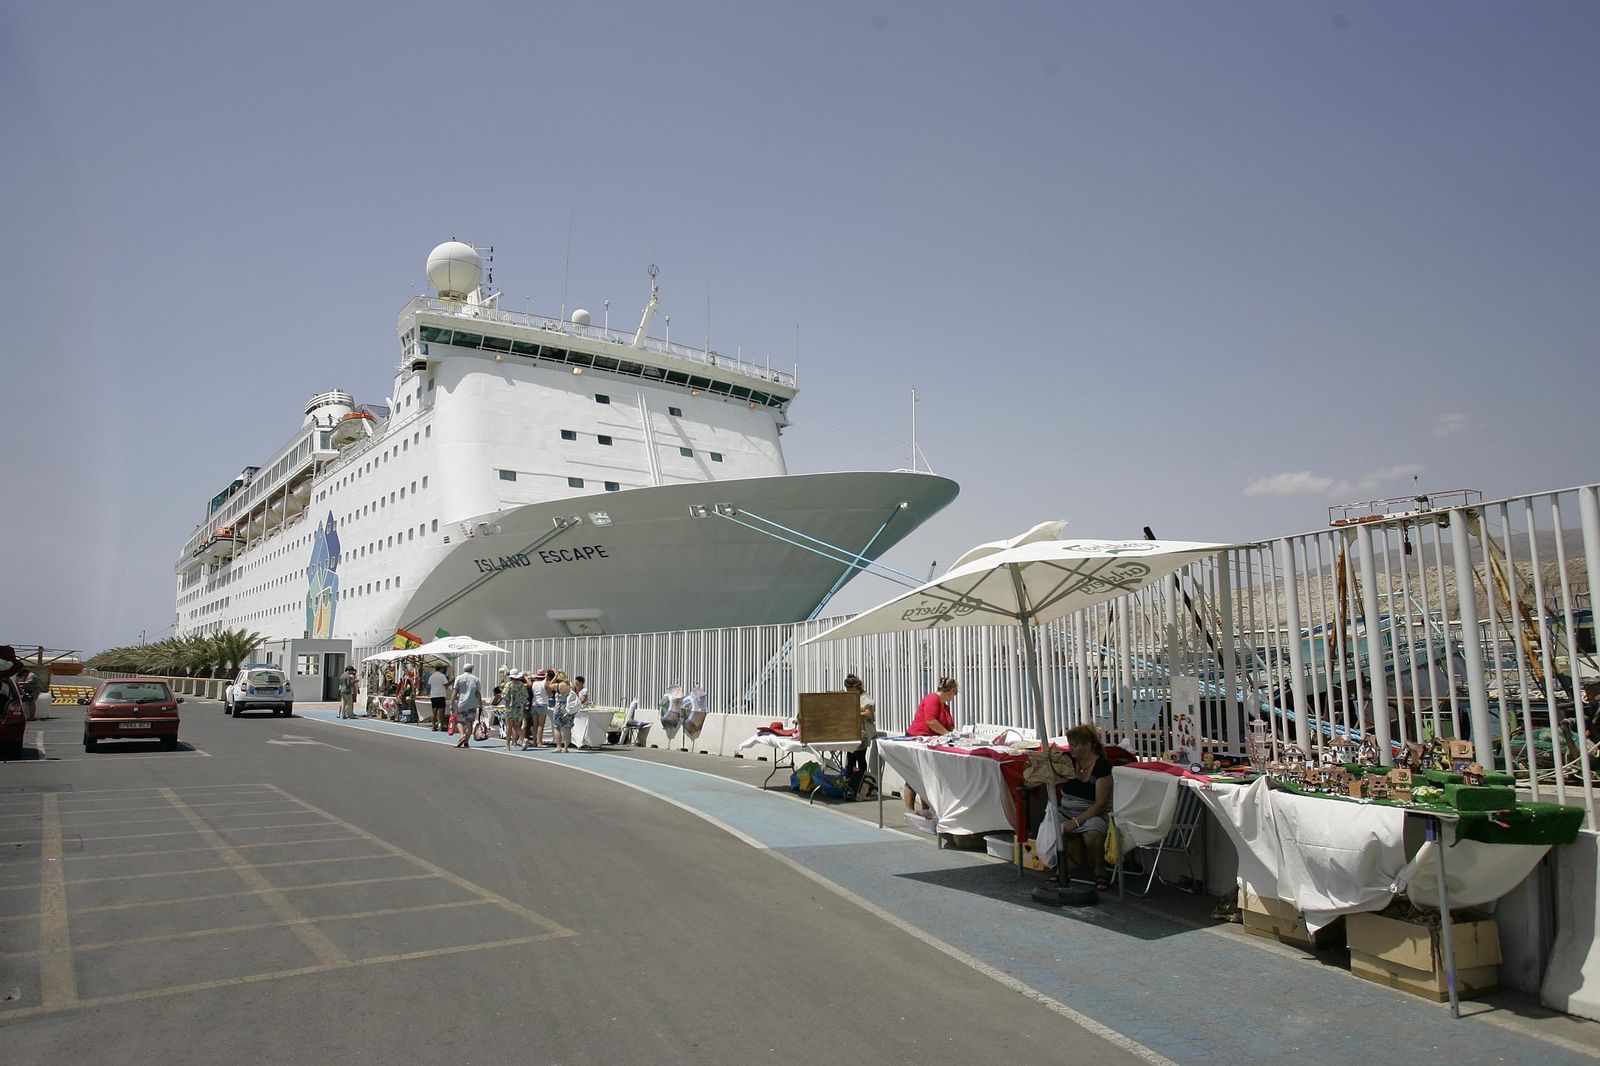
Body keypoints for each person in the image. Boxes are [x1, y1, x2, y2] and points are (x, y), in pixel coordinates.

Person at [1060, 722, 1114, 890]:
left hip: (1093, 812)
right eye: (1070, 745)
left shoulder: (1102, 767)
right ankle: (1060, 868)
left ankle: (1099, 868)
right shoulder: (1067, 760)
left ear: (1088, 746)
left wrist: (1076, 822)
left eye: (1075, 745)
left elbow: (1100, 804)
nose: (1071, 749)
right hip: (1066, 811)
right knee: (1050, 827)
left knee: (1093, 832)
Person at [904, 677, 958, 811]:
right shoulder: (932, 699)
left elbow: (949, 726)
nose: (954, 696)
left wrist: (957, 734)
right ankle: (910, 810)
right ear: (951, 691)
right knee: (914, 776)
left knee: (927, 777)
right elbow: (931, 721)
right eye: (955, 693)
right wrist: (947, 734)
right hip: (917, 738)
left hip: (931, 742)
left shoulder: (945, 706)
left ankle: (926, 810)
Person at [842, 674, 876, 801]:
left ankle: (861, 786)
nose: (848, 692)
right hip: (852, 731)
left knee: (860, 758)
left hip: (862, 732)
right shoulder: (851, 697)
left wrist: (854, 712)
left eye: (849, 689)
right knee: (850, 758)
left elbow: (868, 714)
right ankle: (849, 786)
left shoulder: (865, 698)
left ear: (856, 687)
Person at [452, 664, 483, 748]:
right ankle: (466, 742)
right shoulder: (476, 679)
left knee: (459, 721)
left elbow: (455, 691)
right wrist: (480, 704)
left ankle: (462, 735)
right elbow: (477, 693)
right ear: (471, 670)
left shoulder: (459, 678)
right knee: (469, 723)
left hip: (461, 703)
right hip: (472, 704)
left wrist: (451, 703)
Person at [551, 672, 578, 752]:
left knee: (557, 727)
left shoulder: (557, 685)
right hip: (568, 708)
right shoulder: (571, 685)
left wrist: (555, 677)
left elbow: (549, 685)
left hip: (558, 708)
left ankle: (558, 746)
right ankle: (566, 747)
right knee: (567, 727)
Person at [503, 670, 528, 749]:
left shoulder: (509, 684)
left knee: (509, 726)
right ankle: (523, 739)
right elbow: (526, 696)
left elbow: (504, 696)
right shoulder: (521, 685)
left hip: (510, 708)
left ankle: (507, 745)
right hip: (519, 707)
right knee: (516, 725)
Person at [527, 669, 550, 748]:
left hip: (534, 704)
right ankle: (539, 742)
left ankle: (534, 741)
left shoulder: (534, 683)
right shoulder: (545, 683)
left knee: (535, 725)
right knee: (541, 725)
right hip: (542, 704)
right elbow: (549, 693)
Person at [426, 663, 450, 731]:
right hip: (441, 695)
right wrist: (452, 680)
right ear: (441, 669)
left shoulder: (432, 676)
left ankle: (433, 726)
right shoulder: (442, 676)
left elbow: (429, 685)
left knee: (434, 712)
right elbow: (446, 684)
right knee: (441, 712)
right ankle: (441, 726)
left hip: (433, 695)